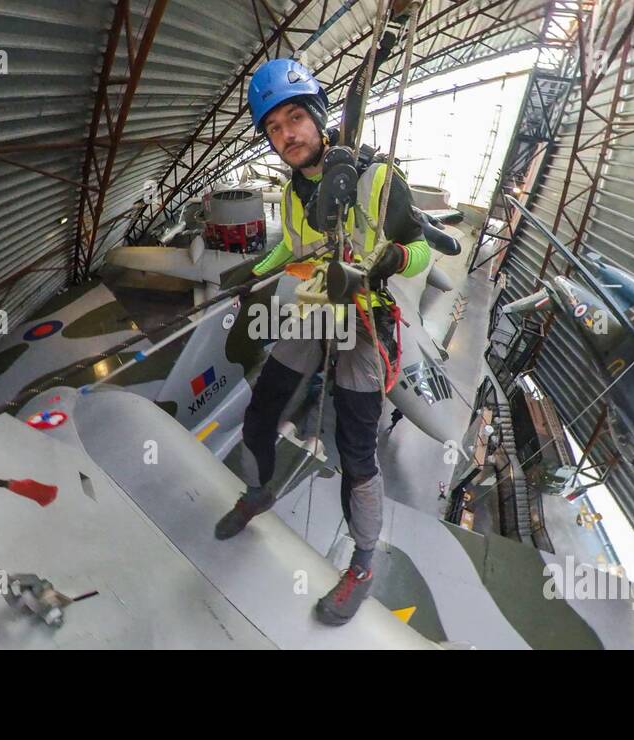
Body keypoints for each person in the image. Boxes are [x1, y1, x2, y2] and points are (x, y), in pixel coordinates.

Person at [213, 57, 431, 626]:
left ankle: (362, 561)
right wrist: (255, 271)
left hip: (363, 315)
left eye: (294, 118)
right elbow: (292, 248)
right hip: (316, 310)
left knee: (357, 450)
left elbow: (428, 245)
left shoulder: (374, 177)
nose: (287, 134)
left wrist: (396, 257)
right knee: (260, 412)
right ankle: (259, 492)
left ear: (317, 115)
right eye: (274, 128)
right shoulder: (291, 192)